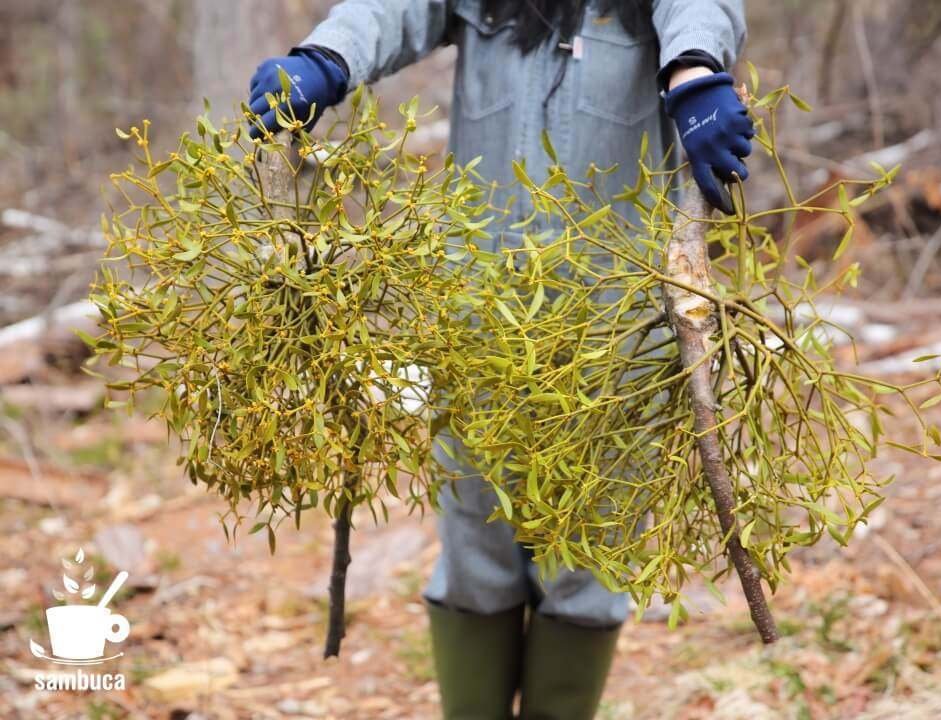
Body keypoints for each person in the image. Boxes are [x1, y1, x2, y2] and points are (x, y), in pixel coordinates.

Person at [248, 1, 751, 717]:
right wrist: (326, 59)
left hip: (608, 337)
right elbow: (392, 10)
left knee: (585, 563)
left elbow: (701, 9)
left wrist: (695, 71)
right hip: (476, 318)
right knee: (476, 554)